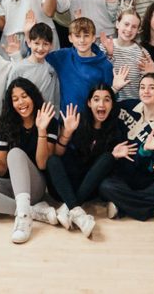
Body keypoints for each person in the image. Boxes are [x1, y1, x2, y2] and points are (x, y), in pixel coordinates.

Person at [0, 79, 63, 243]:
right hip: (13, 185)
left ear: (33, 97)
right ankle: (32, 212)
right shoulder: (5, 124)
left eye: (24, 96)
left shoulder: (48, 121)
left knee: (15, 153)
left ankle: (24, 220)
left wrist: (41, 131)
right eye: (15, 99)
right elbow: (2, 170)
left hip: (36, 187)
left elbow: (42, 164)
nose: (21, 102)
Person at [101, 74, 154, 222]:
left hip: (146, 179)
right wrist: (114, 89)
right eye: (142, 87)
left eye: (151, 87)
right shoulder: (127, 106)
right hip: (122, 174)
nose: (145, 91)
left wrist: (145, 150)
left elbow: (149, 169)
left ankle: (125, 206)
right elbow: (102, 106)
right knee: (105, 186)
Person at [47, 86, 124, 238]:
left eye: (106, 100)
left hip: (88, 189)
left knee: (108, 157)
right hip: (64, 187)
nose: (101, 104)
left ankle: (69, 208)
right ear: (89, 103)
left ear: (112, 105)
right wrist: (67, 133)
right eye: (96, 99)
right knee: (52, 160)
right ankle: (76, 210)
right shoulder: (78, 121)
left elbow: (106, 169)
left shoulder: (116, 130)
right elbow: (58, 153)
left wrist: (115, 156)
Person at [106, 9, 153, 108]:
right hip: (107, 105)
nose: (129, 29)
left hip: (134, 107)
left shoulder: (143, 53)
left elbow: (148, 84)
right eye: (126, 24)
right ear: (117, 24)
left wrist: (151, 74)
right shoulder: (104, 47)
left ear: (138, 30)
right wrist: (109, 56)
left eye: (134, 27)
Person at [9, 22, 62, 107]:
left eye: (45, 44)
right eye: (36, 43)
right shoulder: (18, 68)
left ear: (51, 46)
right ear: (29, 43)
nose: (40, 48)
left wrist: (54, 117)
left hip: (46, 116)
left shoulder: (51, 69)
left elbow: (55, 97)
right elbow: (9, 96)